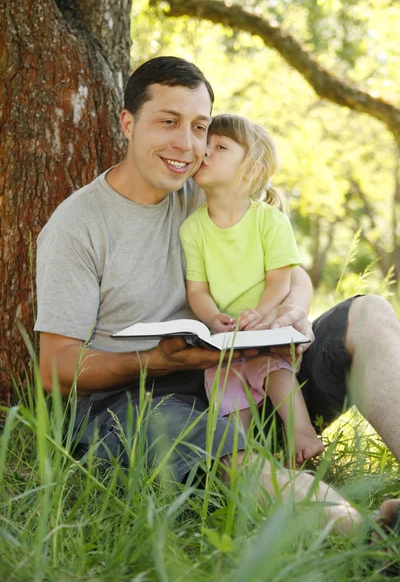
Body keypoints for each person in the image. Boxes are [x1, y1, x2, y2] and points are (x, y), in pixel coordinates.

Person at [35, 55, 400, 536]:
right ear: (128, 122)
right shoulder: (78, 225)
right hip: (140, 403)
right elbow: (54, 366)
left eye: (200, 126)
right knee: (226, 451)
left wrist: (293, 308)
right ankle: (365, 536)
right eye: (168, 122)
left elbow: (284, 265)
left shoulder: (210, 188)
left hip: (249, 380)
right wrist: (157, 361)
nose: (187, 144)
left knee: (369, 311)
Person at [179, 113, 324, 465]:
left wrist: (261, 314)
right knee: (226, 394)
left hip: (264, 326)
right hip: (226, 339)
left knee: (275, 368)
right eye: (206, 145)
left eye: (221, 147)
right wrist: (214, 318)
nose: (206, 152)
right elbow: (197, 290)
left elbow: (280, 280)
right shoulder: (193, 228)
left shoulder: (268, 220)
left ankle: (303, 438)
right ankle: (245, 461)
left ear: (251, 169)